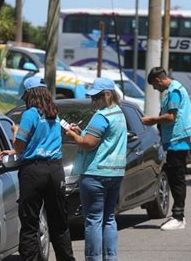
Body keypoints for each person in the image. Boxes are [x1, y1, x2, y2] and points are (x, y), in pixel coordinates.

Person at [0, 75, 74, 261]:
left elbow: (20, 146)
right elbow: (65, 130)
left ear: (29, 95)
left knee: (30, 222)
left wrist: (14, 136)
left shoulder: (30, 114)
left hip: (33, 171)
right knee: (59, 222)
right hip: (55, 171)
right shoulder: (54, 114)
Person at [65, 78, 127, 261]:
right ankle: (111, 257)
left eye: (96, 97)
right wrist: (82, 132)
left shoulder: (101, 116)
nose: (94, 101)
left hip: (95, 174)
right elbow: (104, 139)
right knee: (108, 219)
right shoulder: (119, 113)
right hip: (115, 173)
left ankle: (93, 258)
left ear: (107, 95)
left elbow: (89, 144)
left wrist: (73, 135)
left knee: (93, 220)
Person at [141, 67, 191, 231]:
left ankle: (178, 217)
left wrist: (152, 120)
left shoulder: (174, 91)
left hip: (177, 141)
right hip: (175, 140)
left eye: (154, 85)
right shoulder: (176, 88)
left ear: (158, 80)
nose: (155, 89)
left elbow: (171, 117)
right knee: (175, 178)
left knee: (177, 179)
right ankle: (178, 215)